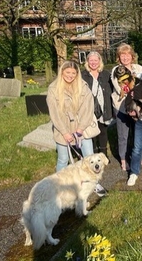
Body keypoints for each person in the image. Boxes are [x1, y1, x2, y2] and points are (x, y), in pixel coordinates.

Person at [47, 61, 105, 196]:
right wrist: (65, 132)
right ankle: (58, 185)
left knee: (89, 156)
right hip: (63, 128)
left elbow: (88, 109)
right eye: (67, 72)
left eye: (73, 73)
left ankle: (93, 183)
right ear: (62, 72)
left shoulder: (83, 87)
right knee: (62, 159)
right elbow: (54, 114)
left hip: (82, 128)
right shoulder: (53, 89)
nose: (70, 76)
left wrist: (80, 129)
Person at [111, 43, 142, 171]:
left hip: (137, 106)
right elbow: (120, 88)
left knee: (138, 133)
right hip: (122, 106)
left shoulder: (139, 68)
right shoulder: (116, 70)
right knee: (123, 134)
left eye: (127, 55)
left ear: (132, 56)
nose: (125, 58)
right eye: (122, 55)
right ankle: (123, 159)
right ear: (119, 57)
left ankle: (138, 156)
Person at [81, 51, 113, 158]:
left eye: (96, 60)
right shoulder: (83, 75)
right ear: (87, 61)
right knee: (92, 132)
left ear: (100, 61)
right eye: (91, 60)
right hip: (89, 109)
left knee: (103, 132)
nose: (93, 62)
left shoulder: (106, 74)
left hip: (104, 107)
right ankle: (93, 156)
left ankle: (103, 155)